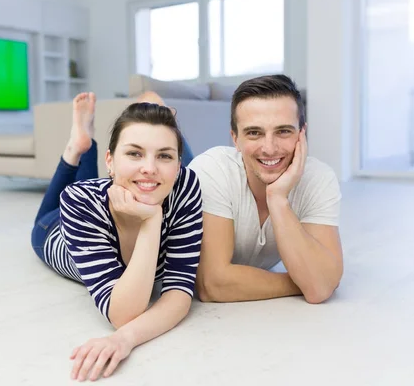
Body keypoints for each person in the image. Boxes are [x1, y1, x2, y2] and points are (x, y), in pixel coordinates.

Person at [30, 92, 203, 382]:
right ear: (109, 161)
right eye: (135, 153)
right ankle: (77, 146)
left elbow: (179, 293)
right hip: (55, 231)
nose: (150, 167)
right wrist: (151, 220)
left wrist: (125, 340)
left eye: (164, 155)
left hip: (107, 193)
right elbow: (123, 313)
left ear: (178, 163)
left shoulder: (185, 186)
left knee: (110, 184)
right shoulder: (79, 202)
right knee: (46, 215)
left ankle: (84, 142)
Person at [187, 74, 343, 304]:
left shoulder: (319, 178)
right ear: (235, 139)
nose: (269, 148)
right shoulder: (211, 170)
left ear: (302, 134)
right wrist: (302, 280)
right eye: (254, 133)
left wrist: (278, 199)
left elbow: (319, 289)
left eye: (283, 131)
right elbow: (212, 285)